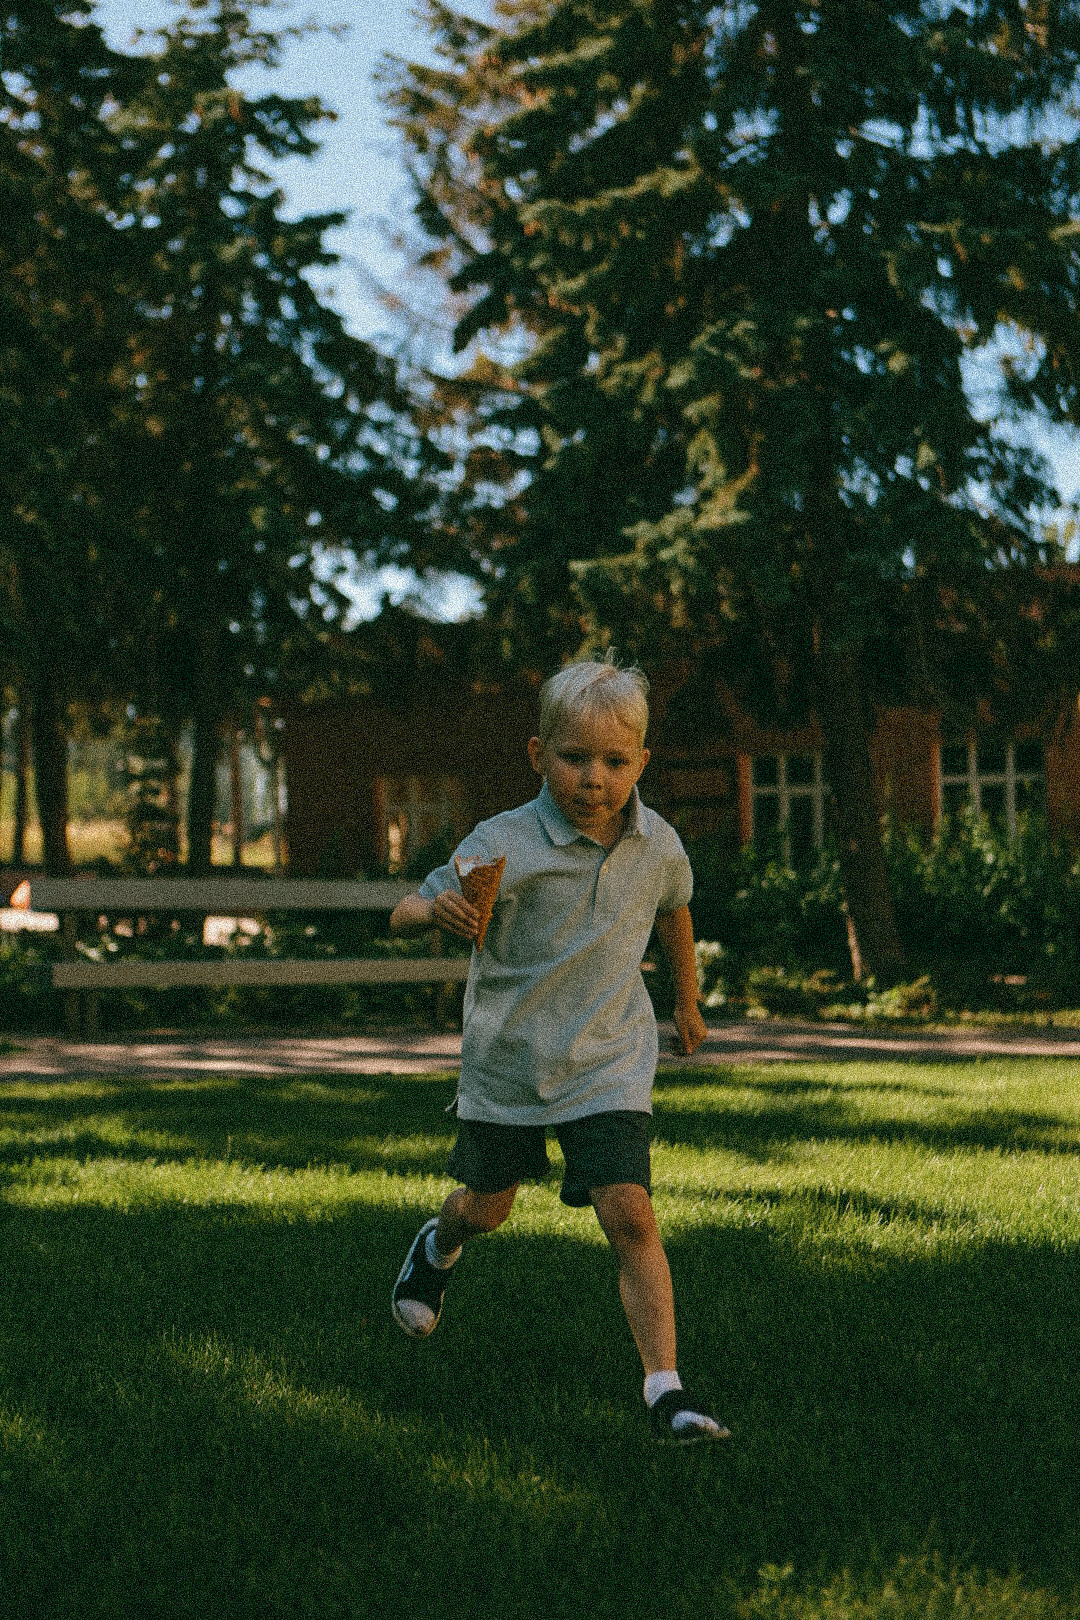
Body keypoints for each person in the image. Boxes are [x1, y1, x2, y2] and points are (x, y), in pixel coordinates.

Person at [388, 657, 730, 1444]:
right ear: (538, 754)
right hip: (510, 1060)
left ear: (642, 762)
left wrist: (686, 998)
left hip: (610, 1059)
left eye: (615, 761)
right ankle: (437, 1247)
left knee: (630, 1211)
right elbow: (409, 903)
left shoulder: (658, 844)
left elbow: (674, 910)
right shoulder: (502, 841)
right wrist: (435, 911)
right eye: (575, 758)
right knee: (487, 1209)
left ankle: (666, 1388)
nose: (593, 778)